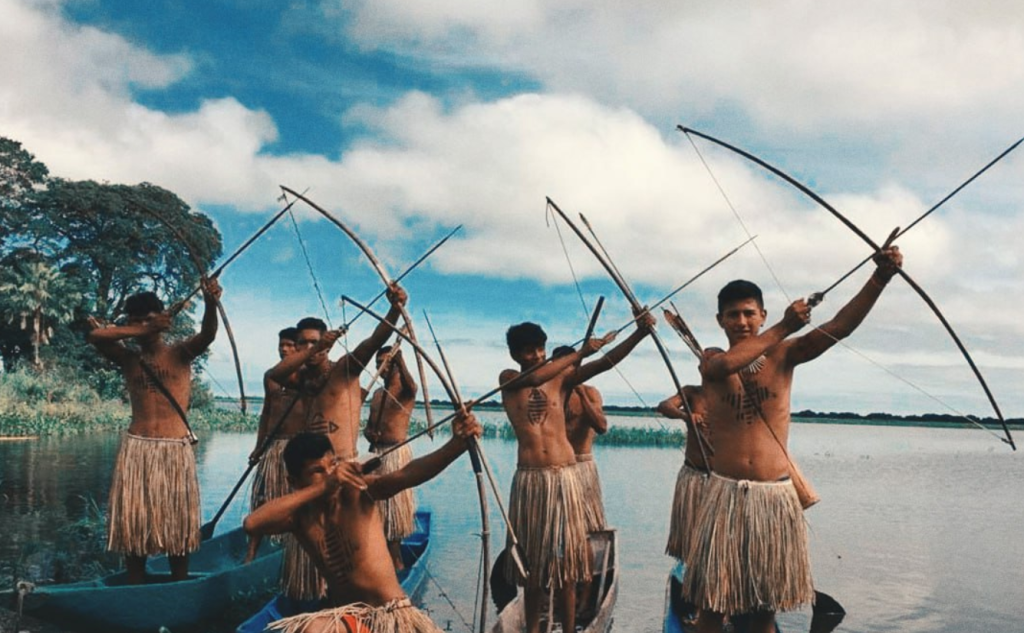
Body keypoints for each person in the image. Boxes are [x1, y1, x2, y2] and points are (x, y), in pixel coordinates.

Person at [682, 246, 903, 633]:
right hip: (726, 495)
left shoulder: (786, 355)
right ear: (720, 320)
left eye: (750, 312)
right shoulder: (713, 357)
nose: (742, 321)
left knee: (765, 612)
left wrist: (880, 278)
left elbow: (839, 327)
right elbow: (723, 366)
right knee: (712, 608)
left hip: (775, 499)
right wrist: (784, 325)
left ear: (761, 314)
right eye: (733, 314)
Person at [242, 411, 483, 633]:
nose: (331, 474)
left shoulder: (357, 492)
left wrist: (455, 446)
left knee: (315, 628)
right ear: (293, 480)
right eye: (318, 470)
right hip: (349, 617)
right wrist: (324, 487)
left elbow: (407, 475)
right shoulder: (297, 517)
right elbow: (253, 523)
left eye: (333, 465)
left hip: (390, 616)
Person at [500, 315, 653, 633]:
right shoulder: (509, 379)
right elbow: (532, 379)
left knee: (568, 565)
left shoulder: (562, 380)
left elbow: (606, 363)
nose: (536, 356)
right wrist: (581, 351)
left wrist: (639, 333)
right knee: (533, 570)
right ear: (515, 354)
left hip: (565, 478)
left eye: (540, 349)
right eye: (528, 350)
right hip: (531, 481)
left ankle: (570, 630)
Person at [264, 284, 407, 601]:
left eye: (315, 342)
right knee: (313, 555)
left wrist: (394, 310)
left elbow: (374, 342)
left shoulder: (344, 369)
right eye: (303, 344)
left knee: (348, 554)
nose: (309, 348)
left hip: (344, 472)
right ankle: (309, 602)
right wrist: (309, 352)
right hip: (312, 476)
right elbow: (274, 374)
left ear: (328, 343)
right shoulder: (301, 378)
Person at [85, 278, 221, 584]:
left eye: (147, 319)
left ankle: (179, 585)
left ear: (162, 319)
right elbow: (95, 335)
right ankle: (135, 586)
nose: (140, 326)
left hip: (174, 449)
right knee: (133, 525)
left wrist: (211, 303)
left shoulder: (180, 352)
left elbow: (208, 334)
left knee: (178, 527)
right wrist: (145, 328)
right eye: (133, 322)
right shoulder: (127, 357)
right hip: (137, 449)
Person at [245, 327, 307, 564]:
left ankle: (290, 550)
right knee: (261, 499)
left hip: (295, 448)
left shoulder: (306, 378)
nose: (284, 349)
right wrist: (258, 446)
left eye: (289, 345)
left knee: (291, 500)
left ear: (299, 348)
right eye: (281, 345)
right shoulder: (271, 377)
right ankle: (251, 553)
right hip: (272, 447)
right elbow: (266, 414)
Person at [658, 349, 717, 566]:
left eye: (715, 362)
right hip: (693, 476)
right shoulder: (691, 392)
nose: (709, 367)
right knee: (690, 539)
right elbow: (665, 405)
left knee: (718, 540)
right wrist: (686, 416)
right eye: (705, 363)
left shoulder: (731, 393)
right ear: (700, 368)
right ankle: (689, 576)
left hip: (721, 479)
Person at [364, 345, 418, 570]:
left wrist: (401, 359)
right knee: (374, 508)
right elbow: (368, 426)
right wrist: (370, 433)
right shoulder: (377, 395)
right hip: (376, 453)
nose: (380, 368)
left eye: (385, 363)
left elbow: (413, 386)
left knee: (393, 517)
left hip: (396, 455)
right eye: (377, 364)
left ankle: (397, 563)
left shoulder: (405, 391)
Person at [552, 345, 610, 533]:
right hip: (556, 467)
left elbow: (601, 426)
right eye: (559, 366)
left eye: (569, 366)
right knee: (556, 524)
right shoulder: (550, 393)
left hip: (583, 465)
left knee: (588, 526)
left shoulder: (590, 392)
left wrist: (581, 394)